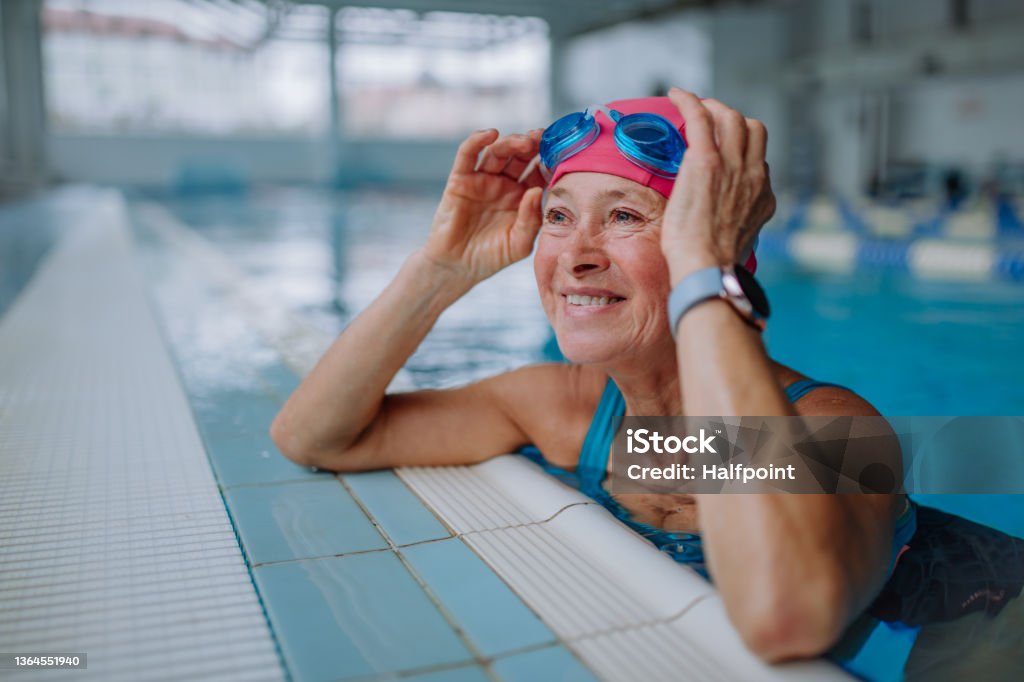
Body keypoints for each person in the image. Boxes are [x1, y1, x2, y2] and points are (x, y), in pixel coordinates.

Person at [270, 89, 914, 662]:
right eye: (559, 216)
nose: (575, 257)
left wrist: (705, 273)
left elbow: (785, 619)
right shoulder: (564, 408)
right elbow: (318, 437)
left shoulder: (838, 428)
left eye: (626, 216)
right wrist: (443, 269)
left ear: (719, 250)